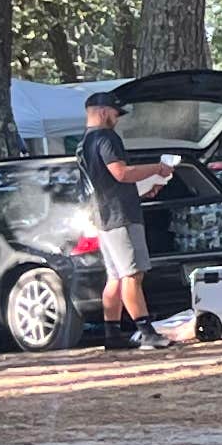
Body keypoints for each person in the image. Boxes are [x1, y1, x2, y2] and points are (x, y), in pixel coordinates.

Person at [76, 90, 171, 344]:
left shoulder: (83, 144)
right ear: (103, 112)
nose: (117, 119)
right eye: (115, 113)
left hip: (102, 216)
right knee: (133, 274)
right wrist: (157, 168)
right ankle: (147, 333)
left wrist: (143, 190)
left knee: (115, 276)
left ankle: (112, 334)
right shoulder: (106, 138)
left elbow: (107, 183)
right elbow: (121, 173)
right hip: (121, 216)